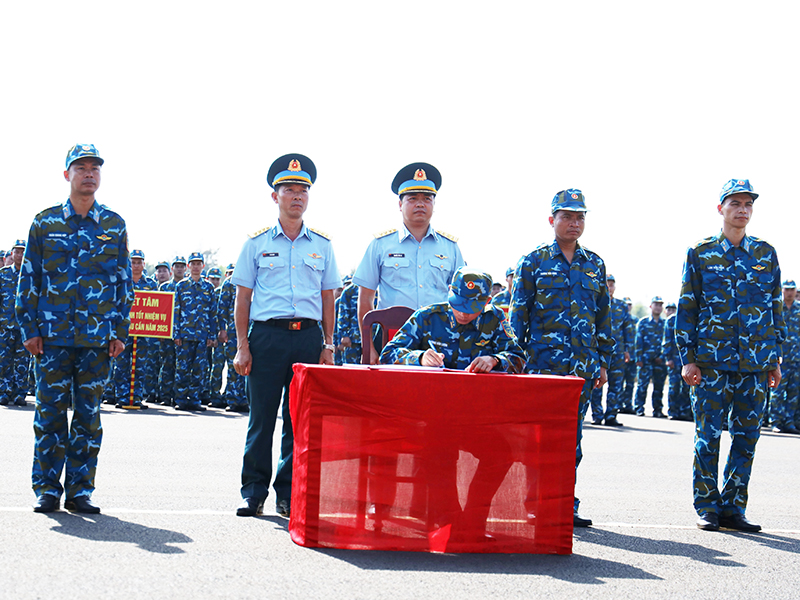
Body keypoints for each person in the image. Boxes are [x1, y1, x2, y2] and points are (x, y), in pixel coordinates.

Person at [17, 143, 133, 514]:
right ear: (67, 174)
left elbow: (122, 283)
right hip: (51, 338)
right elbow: (29, 279)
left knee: (88, 416)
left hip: (97, 339)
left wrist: (119, 331)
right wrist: (29, 329)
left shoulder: (113, 225)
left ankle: (80, 490)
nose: (89, 173)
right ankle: (47, 489)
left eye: (94, 168)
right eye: (80, 167)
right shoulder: (45, 222)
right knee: (50, 414)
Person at [380, 267, 524, 542]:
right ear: (450, 295)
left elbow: (519, 357)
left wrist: (495, 359)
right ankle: (449, 520)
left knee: (502, 452)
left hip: (472, 416)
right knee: (439, 447)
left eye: (471, 309)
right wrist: (419, 358)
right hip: (427, 415)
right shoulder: (428, 316)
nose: (464, 314)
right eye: (458, 306)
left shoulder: (495, 319)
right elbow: (389, 354)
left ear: (485, 303)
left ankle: (472, 519)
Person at [231, 154, 339, 518]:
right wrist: (242, 346)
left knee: (298, 421)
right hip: (266, 338)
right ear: (274, 197)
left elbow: (328, 299)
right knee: (261, 418)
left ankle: (288, 493)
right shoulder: (256, 243)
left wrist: (328, 344)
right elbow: (243, 297)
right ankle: (253, 491)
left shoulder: (321, 245)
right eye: (289, 190)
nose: (297, 196)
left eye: (303, 191)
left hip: (307, 339)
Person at [676, 178, 784, 533]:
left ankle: (733, 507)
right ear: (720, 208)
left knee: (747, 437)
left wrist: (775, 358)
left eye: (748, 204)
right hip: (710, 361)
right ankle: (707, 505)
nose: (742, 210)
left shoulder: (765, 254)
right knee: (708, 435)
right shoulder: (701, 251)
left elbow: (773, 309)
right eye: (735, 203)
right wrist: (687, 357)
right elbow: (687, 307)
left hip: (755, 363)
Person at [509, 189, 613, 528]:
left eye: (580, 216)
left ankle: (564, 504)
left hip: (581, 368)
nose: (574, 222)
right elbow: (517, 316)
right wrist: (515, 359)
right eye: (567, 216)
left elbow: (602, 318)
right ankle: (532, 502)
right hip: (542, 365)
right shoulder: (533, 261)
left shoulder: (595, 264)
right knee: (538, 439)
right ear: (552, 219)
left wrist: (602, 361)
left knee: (572, 439)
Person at [353, 162, 465, 362]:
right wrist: (368, 346)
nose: (420, 204)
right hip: (392, 335)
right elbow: (365, 298)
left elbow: (462, 297)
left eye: (427, 199)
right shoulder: (380, 245)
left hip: (439, 337)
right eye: (412, 199)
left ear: (433, 204)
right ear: (400, 204)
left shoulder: (450, 248)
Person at [173, 252, 217, 411]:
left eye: (199, 264)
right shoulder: (181, 286)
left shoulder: (208, 287)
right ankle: (181, 399)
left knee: (200, 369)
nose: (196, 266)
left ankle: (195, 399)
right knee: (182, 368)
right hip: (184, 335)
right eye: (193, 263)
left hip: (202, 335)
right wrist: (176, 334)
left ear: (203, 266)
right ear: (188, 266)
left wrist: (212, 335)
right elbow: (176, 311)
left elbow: (213, 313)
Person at [113, 249, 157, 409]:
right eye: (133, 262)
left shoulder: (151, 284)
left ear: (144, 264)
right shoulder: (122, 282)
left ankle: (136, 397)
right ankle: (122, 397)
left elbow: (157, 308)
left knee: (140, 366)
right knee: (122, 366)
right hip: (123, 333)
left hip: (143, 333)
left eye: (139, 262)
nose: (136, 265)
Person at [589, 274, 634, 426]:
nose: (609, 287)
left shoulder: (621, 306)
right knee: (597, 382)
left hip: (617, 351)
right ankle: (597, 414)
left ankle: (611, 415)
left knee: (616, 384)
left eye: (612, 284)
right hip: (598, 350)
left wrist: (627, 350)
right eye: (606, 284)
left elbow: (627, 330)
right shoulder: (594, 302)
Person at [0, 239, 29, 406]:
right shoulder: (3, 274)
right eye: (17, 251)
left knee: (23, 362)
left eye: (23, 251)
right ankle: (4, 391)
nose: (20, 254)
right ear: (12, 254)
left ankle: (19, 393)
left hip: (25, 327)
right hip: (5, 326)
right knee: (4, 361)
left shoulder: (31, 275)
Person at [769, 280, 800, 434]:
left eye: (792, 289)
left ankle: (789, 421)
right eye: (787, 289)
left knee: (794, 392)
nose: (789, 292)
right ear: (782, 290)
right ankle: (775, 421)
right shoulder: (776, 308)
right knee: (778, 391)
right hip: (780, 357)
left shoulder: (799, 309)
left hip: (797, 358)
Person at [217, 263, 248, 411]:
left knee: (250, 368)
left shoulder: (254, 280)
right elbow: (222, 307)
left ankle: (246, 400)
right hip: (233, 331)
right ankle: (233, 399)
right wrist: (222, 330)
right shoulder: (229, 283)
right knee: (233, 366)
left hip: (252, 331)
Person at [157, 256, 186, 406]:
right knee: (167, 365)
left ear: (185, 268)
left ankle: (179, 396)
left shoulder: (188, 286)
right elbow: (159, 312)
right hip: (167, 333)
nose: (179, 269)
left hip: (183, 333)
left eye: (182, 266)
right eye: (177, 266)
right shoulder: (164, 288)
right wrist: (160, 333)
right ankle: (165, 395)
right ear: (172, 269)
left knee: (181, 366)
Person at [634, 297, 667, 417]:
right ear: (650, 306)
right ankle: (639, 408)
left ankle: (657, 410)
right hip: (645, 360)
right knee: (642, 385)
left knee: (659, 387)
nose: (658, 307)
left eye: (660, 305)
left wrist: (663, 357)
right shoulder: (643, 322)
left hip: (659, 361)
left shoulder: (665, 324)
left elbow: (667, 341)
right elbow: (638, 341)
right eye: (656, 304)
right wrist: (638, 358)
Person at [662, 301, 691, 421]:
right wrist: (668, 358)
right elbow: (667, 340)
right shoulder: (670, 320)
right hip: (674, 359)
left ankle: (685, 411)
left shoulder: (689, 318)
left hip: (687, 360)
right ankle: (673, 411)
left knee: (686, 387)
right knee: (674, 387)